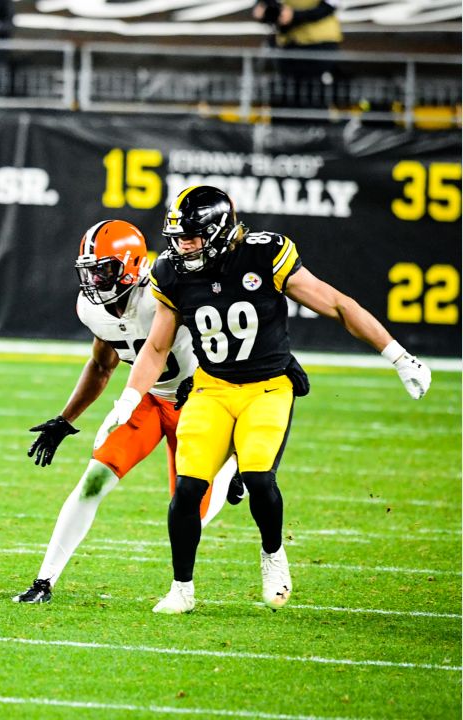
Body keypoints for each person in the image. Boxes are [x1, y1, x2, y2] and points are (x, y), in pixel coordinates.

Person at [96, 185, 432, 614]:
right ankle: (182, 588)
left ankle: (273, 554)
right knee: (187, 491)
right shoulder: (172, 272)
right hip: (211, 389)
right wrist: (126, 401)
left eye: (193, 236)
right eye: (178, 237)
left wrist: (398, 356)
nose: (183, 246)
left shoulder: (264, 254)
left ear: (218, 231)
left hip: (268, 387)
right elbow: (157, 348)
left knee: (258, 480)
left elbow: (338, 305)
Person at [13, 220, 240, 605]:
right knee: (93, 480)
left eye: (105, 269)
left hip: (199, 404)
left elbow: (225, 338)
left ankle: (235, 466)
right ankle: (44, 580)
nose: (95, 279)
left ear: (133, 264)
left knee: (189, 514)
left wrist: (212, 388)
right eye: (91, 270)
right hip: (147, 400)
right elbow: (102, 366)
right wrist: (65, 420)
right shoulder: (92, 308)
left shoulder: (166, 290)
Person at [252, 0, 344, 109]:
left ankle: (316, 123)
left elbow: (330, 6)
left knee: (312, 92)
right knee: (287, 93)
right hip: (288, 44)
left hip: (319, 43)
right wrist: (262, 8)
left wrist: (295, 16)